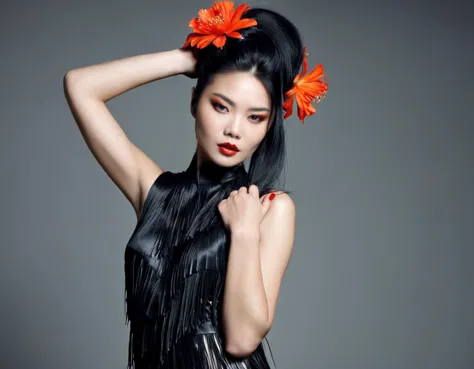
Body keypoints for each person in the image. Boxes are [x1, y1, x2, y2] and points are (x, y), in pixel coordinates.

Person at [63, 1, 327, 368]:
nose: (234, 129)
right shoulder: (154, 192)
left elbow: (241, 339)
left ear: (269, 126)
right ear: (195, 101)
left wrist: (245, 231)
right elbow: (80, 86)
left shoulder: (270, 209)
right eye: (221, 106)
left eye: (255, 117)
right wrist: (187, 59)